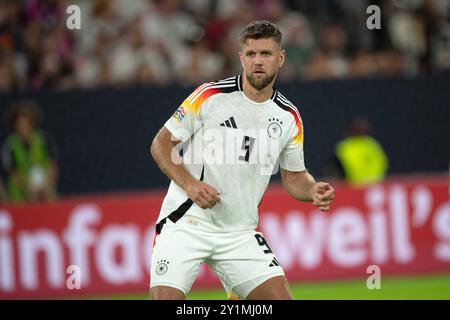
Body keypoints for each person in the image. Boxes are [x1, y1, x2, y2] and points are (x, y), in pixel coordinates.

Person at [149, 20, 335, 300]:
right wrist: (190, 185)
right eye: (251, 54)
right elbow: (161, 144)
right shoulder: (210, 96)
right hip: (186, 224)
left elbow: (294, 176)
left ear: (281, 58)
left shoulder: (288, 117)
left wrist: (311, 189)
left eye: (266, 54)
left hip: (239, 232)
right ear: (241, 58)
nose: (258, 61)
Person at [1, 99, 59, 202]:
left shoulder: (45, 140)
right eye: (20, 124)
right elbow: (14, 174)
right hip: (20, 197)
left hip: (45, 191)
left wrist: (44, 186)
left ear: (33, 123)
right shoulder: (9, 146)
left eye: (27, 123)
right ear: (15, 126)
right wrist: (30, 189)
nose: (24, 127)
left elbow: (52, 166)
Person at [324, 116, 389, 187]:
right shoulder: (343, 147)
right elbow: (336, 168)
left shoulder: (370, 145)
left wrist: (373, 180)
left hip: (371, 184)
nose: (358, 130)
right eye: (356, 128)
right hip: (350, 185)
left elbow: (380, 163)